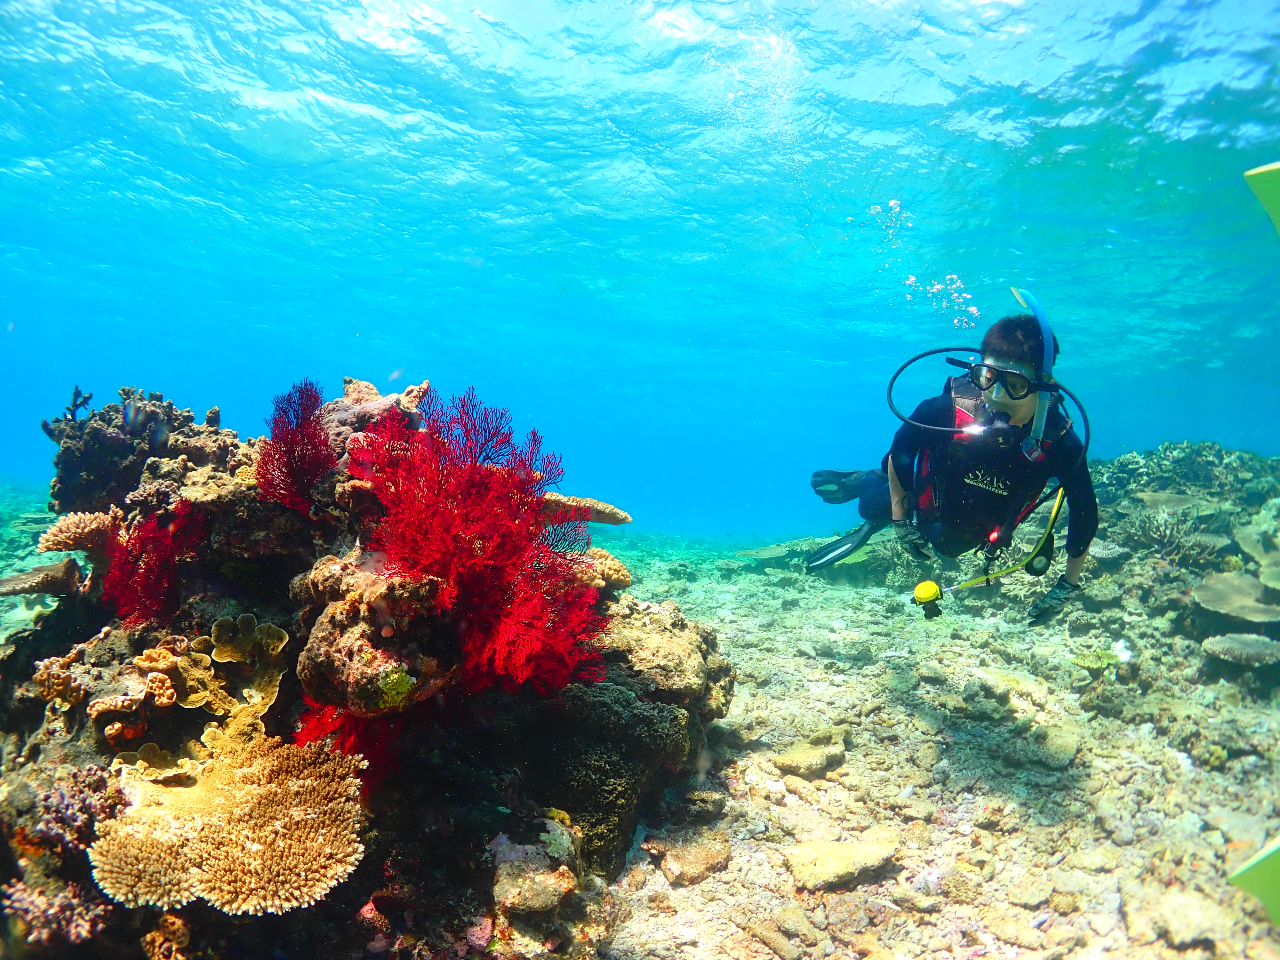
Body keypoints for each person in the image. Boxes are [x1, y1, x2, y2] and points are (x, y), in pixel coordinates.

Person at [809, 313, 1097, 623]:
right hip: (923, 503)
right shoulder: (943, 410)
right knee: (869, 507)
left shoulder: (1060, 443)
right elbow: (901, 451)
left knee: (950, 547)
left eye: (1015, 384)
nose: (997, 396)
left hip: (975, 531)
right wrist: (899, 520)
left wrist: (1066, 587)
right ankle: (863, 481)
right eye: (987, 378)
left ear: (1044, 387)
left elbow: (1085, 511)